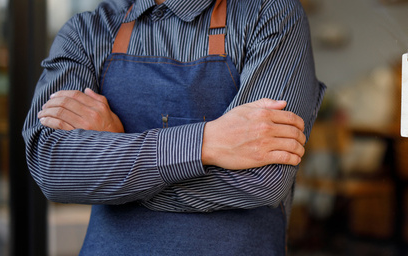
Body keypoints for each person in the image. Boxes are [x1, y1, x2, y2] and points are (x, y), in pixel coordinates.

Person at [22, 0, 325, 254]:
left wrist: (116, 153)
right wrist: (206, 143)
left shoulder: (270, 15)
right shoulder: (87, 31)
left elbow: (263, 178)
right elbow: (52, 166)